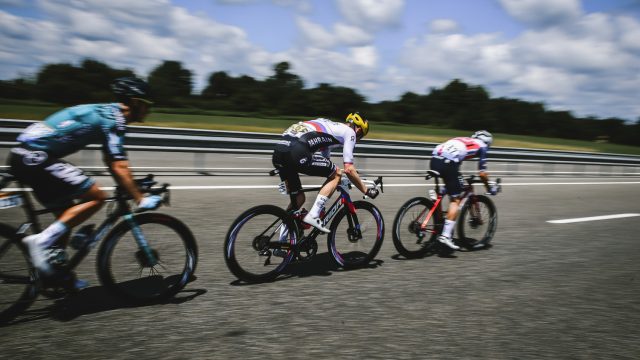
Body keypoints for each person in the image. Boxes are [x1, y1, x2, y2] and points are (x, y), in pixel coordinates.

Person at [9, 77, 162, 283]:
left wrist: (132, 187)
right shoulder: (115, 119)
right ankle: (40, 242)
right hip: (36, 157)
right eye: (147, 105)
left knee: (66, 215)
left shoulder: (104, 111)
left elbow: (111, 160)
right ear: (135, 102)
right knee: (97, 197)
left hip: (23, 155)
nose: (148, 110)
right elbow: (118, 165)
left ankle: (58, 276)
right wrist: (140, 198)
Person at [272, 113, 379, 233]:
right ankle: (314, 215)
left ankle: (282, 241)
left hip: (279, 152)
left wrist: (351, 174)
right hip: (296, 151)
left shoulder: (330, 127)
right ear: (359, 129)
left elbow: (325, 162)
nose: (358, 139)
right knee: (336, 174)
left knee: (298, 199)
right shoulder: (350, 132)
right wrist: (366, 190)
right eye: (361, 136)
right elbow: (348, 168)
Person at [430, 130, 498, 250]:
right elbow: (482, 174)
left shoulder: (464, 140)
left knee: (452, 183)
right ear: (487, 142)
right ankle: (445, 236)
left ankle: (439, 195)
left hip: (435, 159)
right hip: (449, 162)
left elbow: (456, 164)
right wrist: (489, 187)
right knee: (455, 199)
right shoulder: (482, 146)